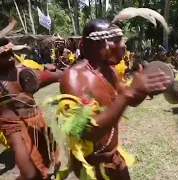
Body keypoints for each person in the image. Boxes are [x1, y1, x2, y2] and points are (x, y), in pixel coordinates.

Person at [50, 17, 170, 180]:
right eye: (115, 40)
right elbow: (87, 131)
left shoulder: (110, 72)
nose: (123, 46)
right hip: (92, 167)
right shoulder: (73, 78)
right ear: (95, 45)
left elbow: (130, 100)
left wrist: (144, 88)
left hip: (114, 158)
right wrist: (130, 93)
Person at [0, 37, 62, 180]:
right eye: (3, 56)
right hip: (12, 126)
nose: (10, 59)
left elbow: (53, 76)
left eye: (10, 54)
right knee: (30, 173)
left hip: (36, 121)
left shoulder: (24, 70)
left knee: (44, 166)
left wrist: (60, 73)